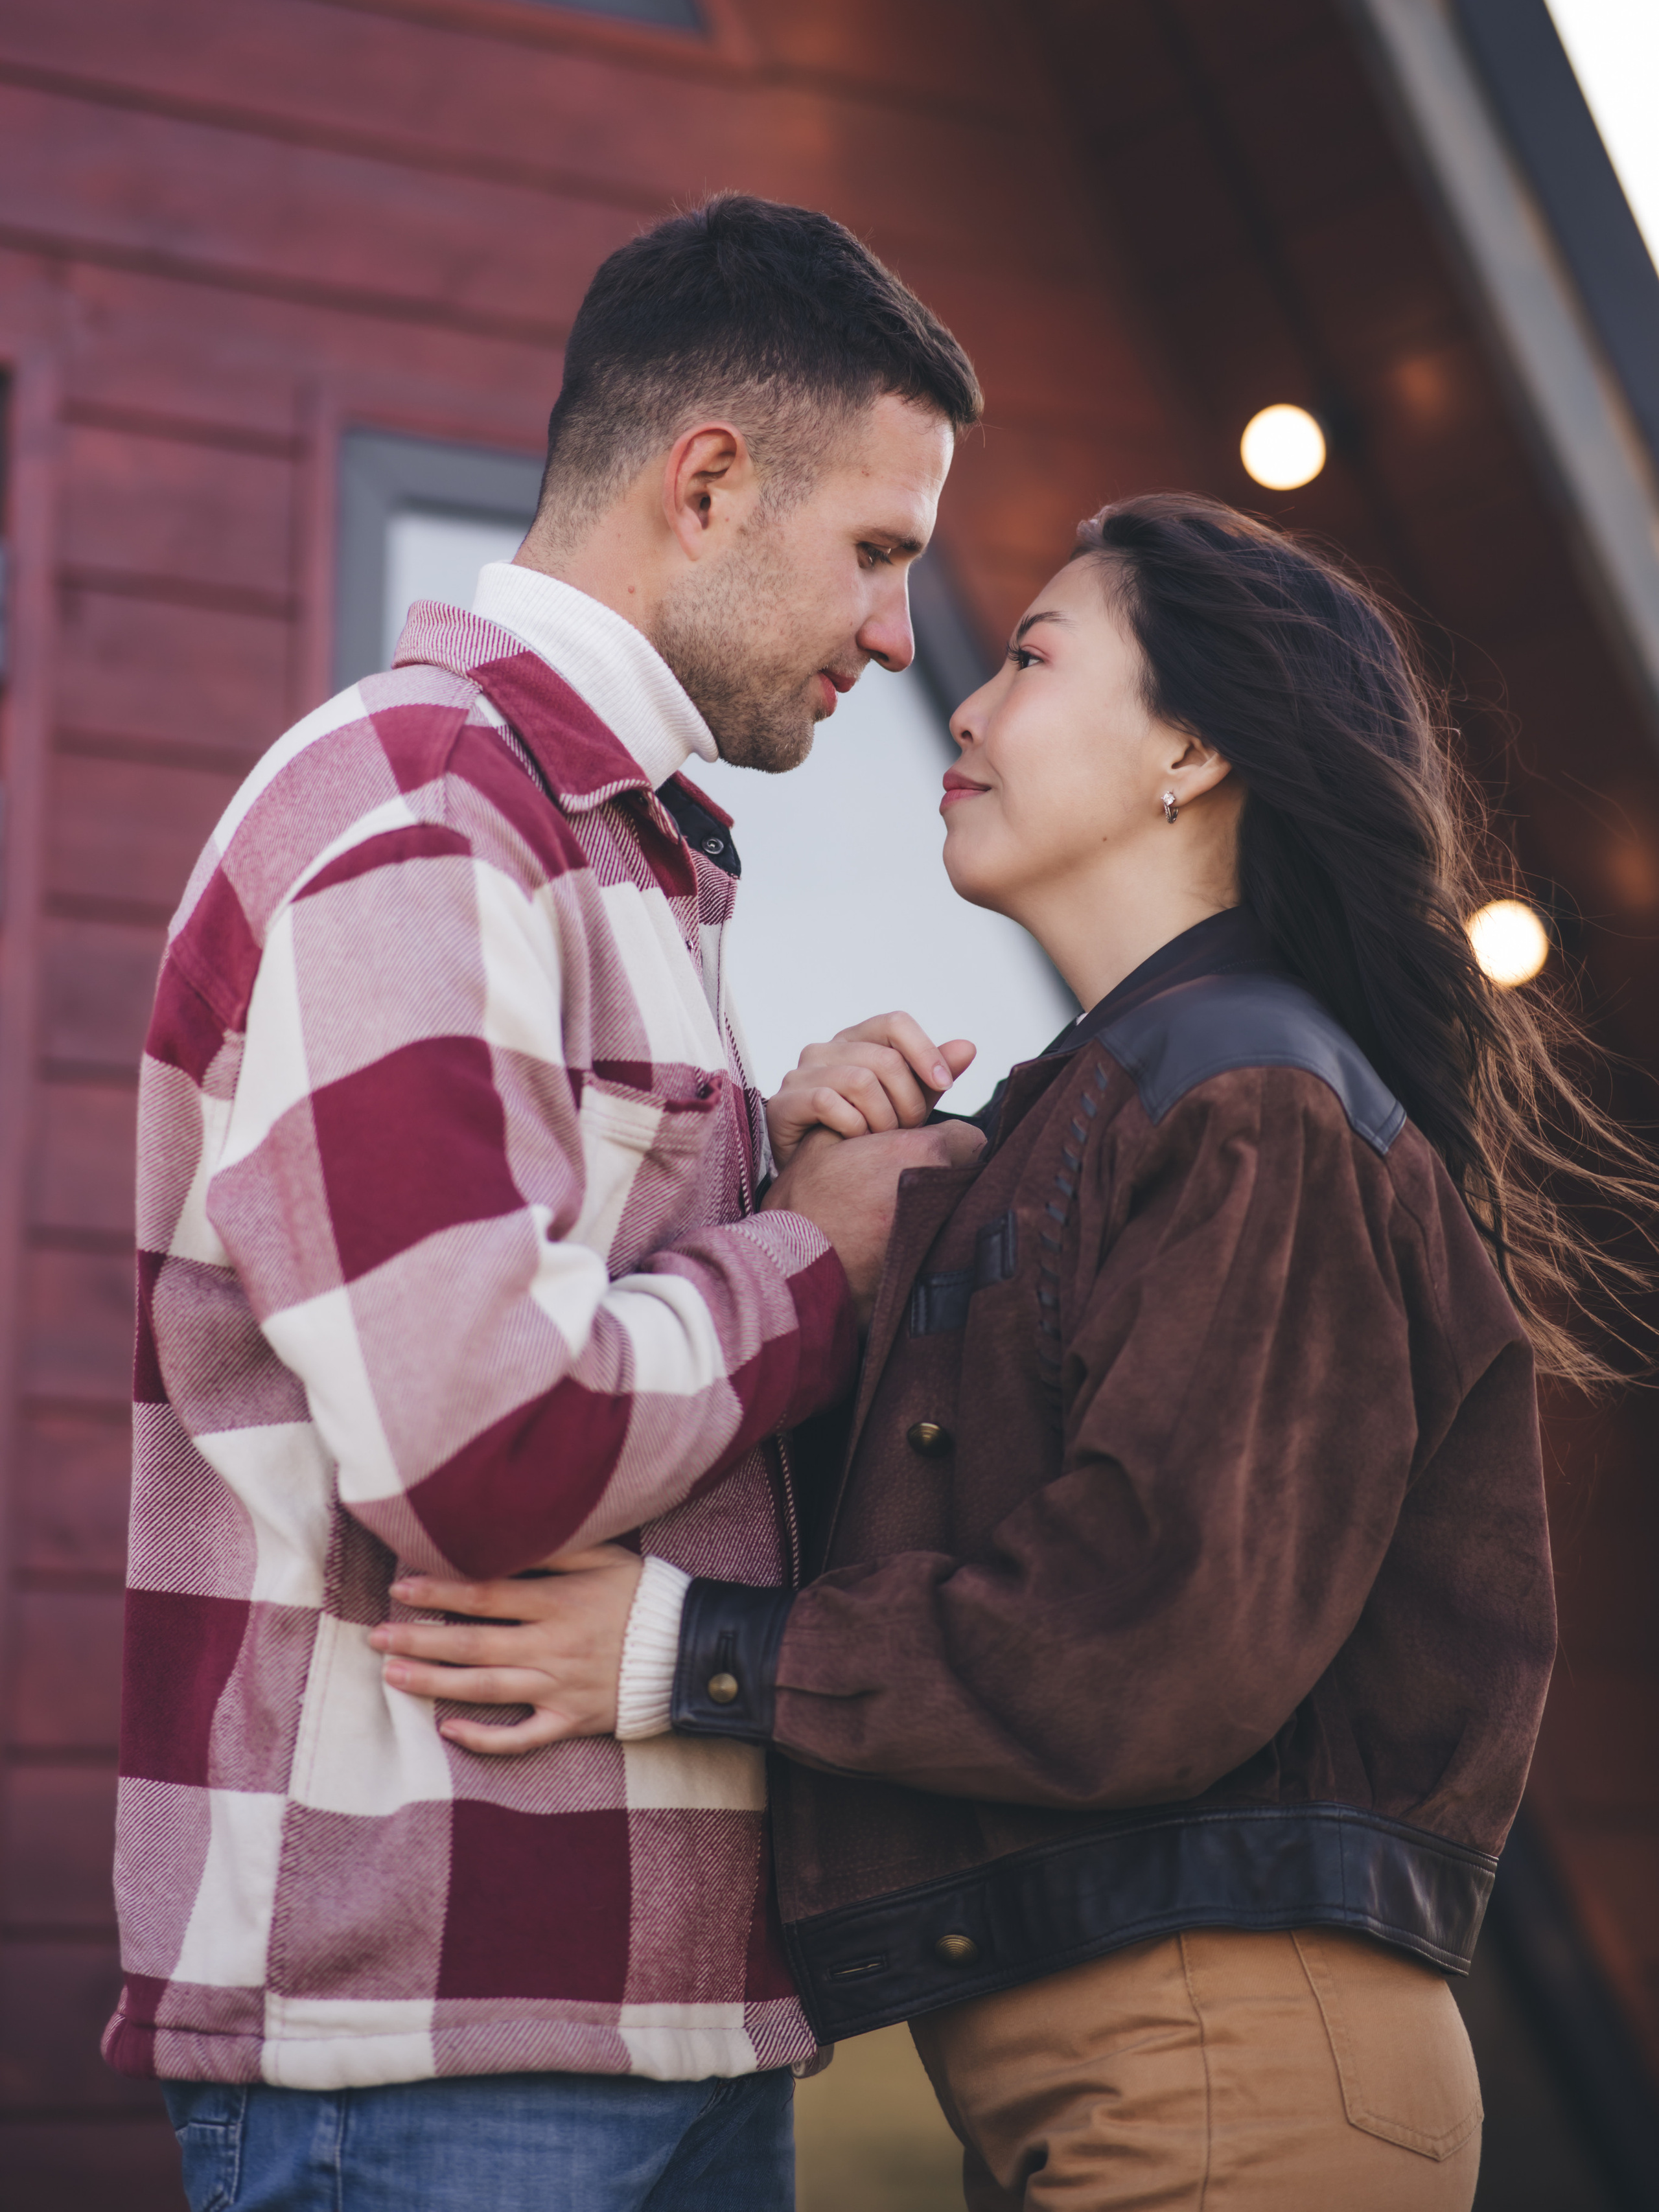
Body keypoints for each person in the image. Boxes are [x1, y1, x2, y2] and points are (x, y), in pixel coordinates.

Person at [388, 496, 1658, 2209]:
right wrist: (795, 1185)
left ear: (1193, 747)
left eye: (1036, 657)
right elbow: (928, 1541)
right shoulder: (1108, 1112)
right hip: (1135, 2069)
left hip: (1228, 2067)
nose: (962, 701)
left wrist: (679, 1655)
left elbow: (1151, 1629)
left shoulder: (1257, 1105)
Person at [104, 193, 988, 2212]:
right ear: (705, 483)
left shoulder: (610, 849)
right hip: (424, 2046)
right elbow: (478, 1440)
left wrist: (770, 1148)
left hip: (645, 2025)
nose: (890, 635)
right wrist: (826, 1250)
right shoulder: (427, 815)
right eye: (877, 553)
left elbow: (558, 1285)